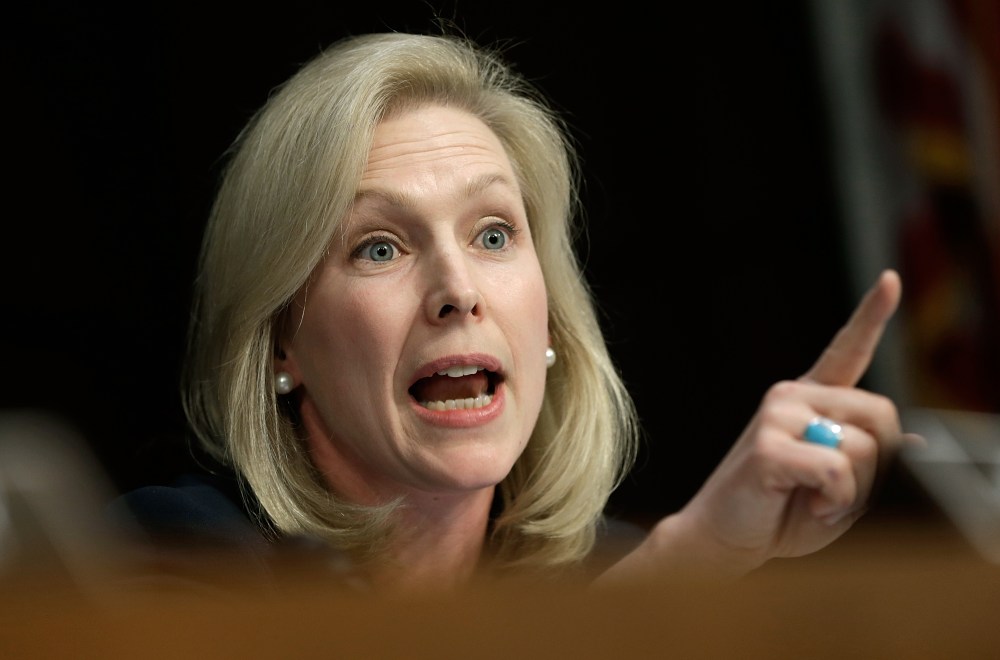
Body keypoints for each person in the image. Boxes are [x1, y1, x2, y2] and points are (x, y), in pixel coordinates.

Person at [111, 30, 918, 595]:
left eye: (493, 233)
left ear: (551, 323)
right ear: (283, 339)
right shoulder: (172, 552)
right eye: (380, 247)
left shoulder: (614, 570)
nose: (458, 289)